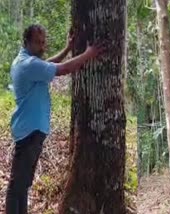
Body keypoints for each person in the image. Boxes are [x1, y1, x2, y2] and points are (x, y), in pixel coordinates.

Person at [5, 24, 105, 214]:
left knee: (23, 183)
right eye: (37, 43)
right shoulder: (29, 64)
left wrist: (68, 49)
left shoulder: (25, 61)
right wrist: (89, 53)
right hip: (29, 131)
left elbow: (49, 64)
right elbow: (63, 69)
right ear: (26, 42)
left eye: (44, 42)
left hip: (29, 129)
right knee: (17, 185)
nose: (42, 46)